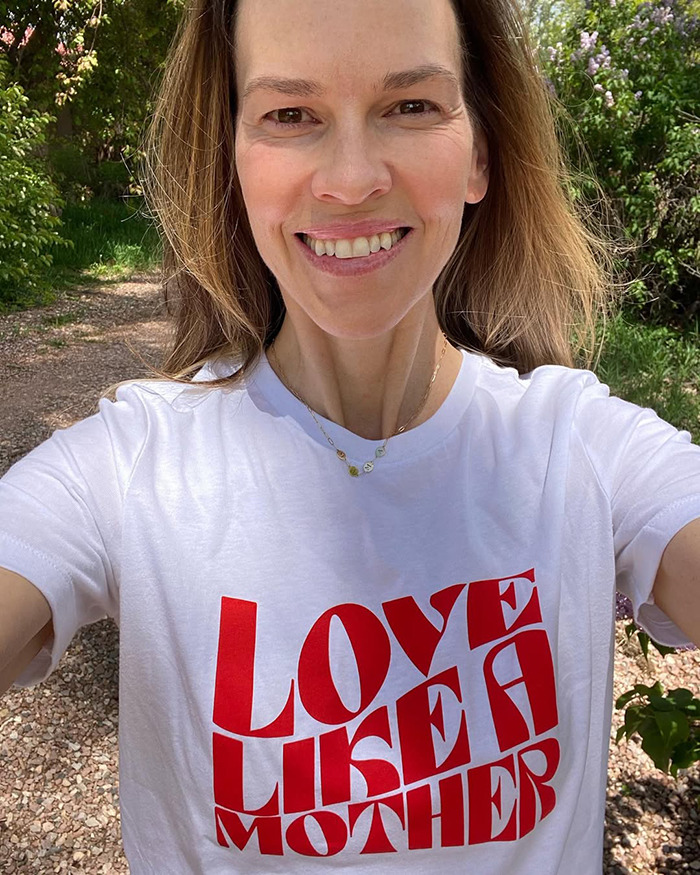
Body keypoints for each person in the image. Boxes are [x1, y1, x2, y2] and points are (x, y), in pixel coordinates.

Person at [1, 0, 699, 871]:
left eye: (410, 106)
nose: (351, 177)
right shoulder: (129, 466)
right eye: (290, 116)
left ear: (480, 152)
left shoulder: (580, 448)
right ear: (234, 162)